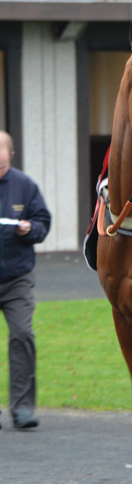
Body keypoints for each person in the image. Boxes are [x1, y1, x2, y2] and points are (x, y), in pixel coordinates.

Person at [0, 131, 51, 430]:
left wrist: (29, 229)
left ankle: (22, 408)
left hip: (17, 277)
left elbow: (43, 222)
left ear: (11, 154)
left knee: (21, 335)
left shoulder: (25, 186)